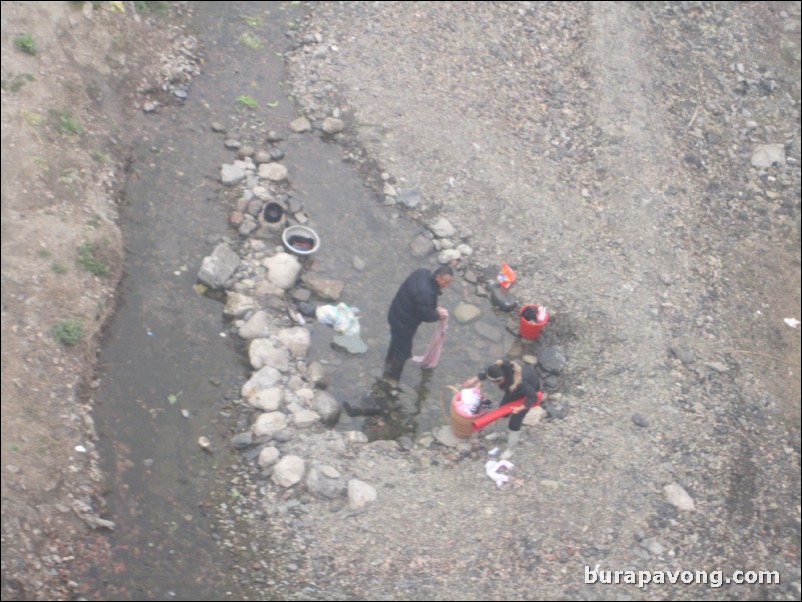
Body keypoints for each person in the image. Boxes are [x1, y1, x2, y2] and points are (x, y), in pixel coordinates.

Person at [384, 265, 453, 386]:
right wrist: (438, 315)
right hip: (403, 323)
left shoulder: (422, 272)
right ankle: (392, 379)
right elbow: (426, 315)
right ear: (438, 277)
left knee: (396, 340)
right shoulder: (426, 293)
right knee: (402, 352)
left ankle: (388, 361)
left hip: (395, 313)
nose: (446, 286)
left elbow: (421, 303)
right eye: (446, 282)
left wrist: (433, 307)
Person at [462, 359, 542, 460]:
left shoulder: (521, 384)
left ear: (500, 380)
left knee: (514, 423)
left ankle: (511, 449)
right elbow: (487, 371)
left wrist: (520, 408)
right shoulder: (500, 368)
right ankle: (499, 433)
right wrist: (473, 380)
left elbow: (533, 396)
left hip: (527, 394)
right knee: (502, 411)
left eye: (494, 382)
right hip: (512, 390)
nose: (493, 384)